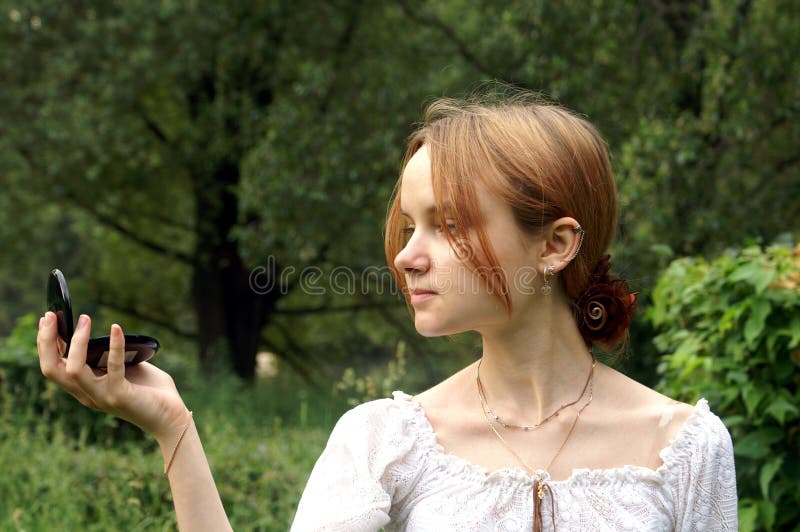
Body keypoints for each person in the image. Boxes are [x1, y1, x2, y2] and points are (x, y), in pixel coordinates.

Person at [37, 92, 738, 531]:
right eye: (410, 226)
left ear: (554, 245)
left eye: (449, 224)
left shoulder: (684, 451)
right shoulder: (384, 442)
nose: (407, 256)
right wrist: (172, 428)